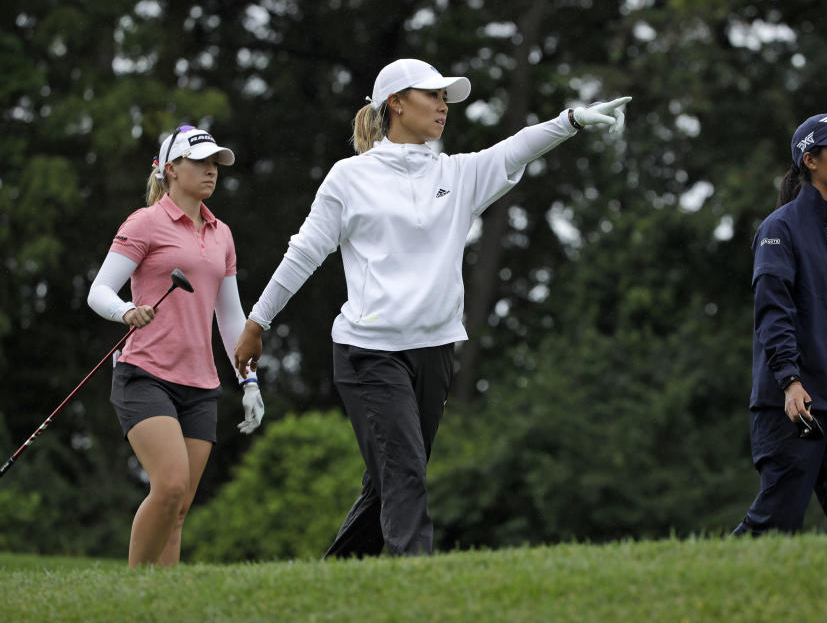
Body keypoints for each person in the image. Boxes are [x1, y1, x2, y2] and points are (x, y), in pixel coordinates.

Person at [233, 58, 630, 557]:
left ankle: (334, 576)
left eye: (446, 98)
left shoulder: (456, 174)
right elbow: (305, 253)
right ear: (396, 103)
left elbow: (515, 148)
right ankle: (414, 580)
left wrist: (570, 120)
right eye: (432, 95)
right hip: (368, 351)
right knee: (404, 472)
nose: (443, 106)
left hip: (436, 350)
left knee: (392, 479)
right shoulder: (348, 177)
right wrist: (257, 321)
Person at [88, 125, 266, 567]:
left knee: (180, 507)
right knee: (168, 486)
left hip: (200, 385)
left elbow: (230, 318)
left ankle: (160, 605)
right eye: (200, 162)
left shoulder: (222, 233)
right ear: (171, 169)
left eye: (215, 164)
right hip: (144, 376)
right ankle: (133, 593)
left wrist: (250, 381)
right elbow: (99, 292)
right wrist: (126, 311)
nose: (211, 171)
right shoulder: (145, 222)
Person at [732, 113, 827, 536]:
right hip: (794, 404)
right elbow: (773, 312)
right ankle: (703, 580)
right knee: (775, 526)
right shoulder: (779, 230)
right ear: (810, 160)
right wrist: (790, 380)